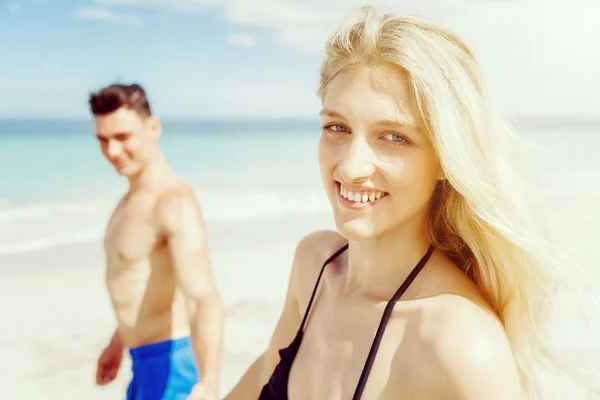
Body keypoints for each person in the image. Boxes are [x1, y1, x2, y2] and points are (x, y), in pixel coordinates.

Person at [225, 5, 599, 400]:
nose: (351, 167)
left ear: (444, 159)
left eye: (394, 137)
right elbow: (262, 378)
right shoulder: (314, 266)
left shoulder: (460, 347)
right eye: (337, 127)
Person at [89, 83, 224, 400]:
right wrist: (117, 342)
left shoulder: (173, 202)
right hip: (142, 363)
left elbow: (203, 296)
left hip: (172, 366)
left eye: (122, 137)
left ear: (153, 127)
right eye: (103, 140)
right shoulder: (127, 204)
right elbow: (140, 287)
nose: (112, 151)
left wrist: (210, 383)